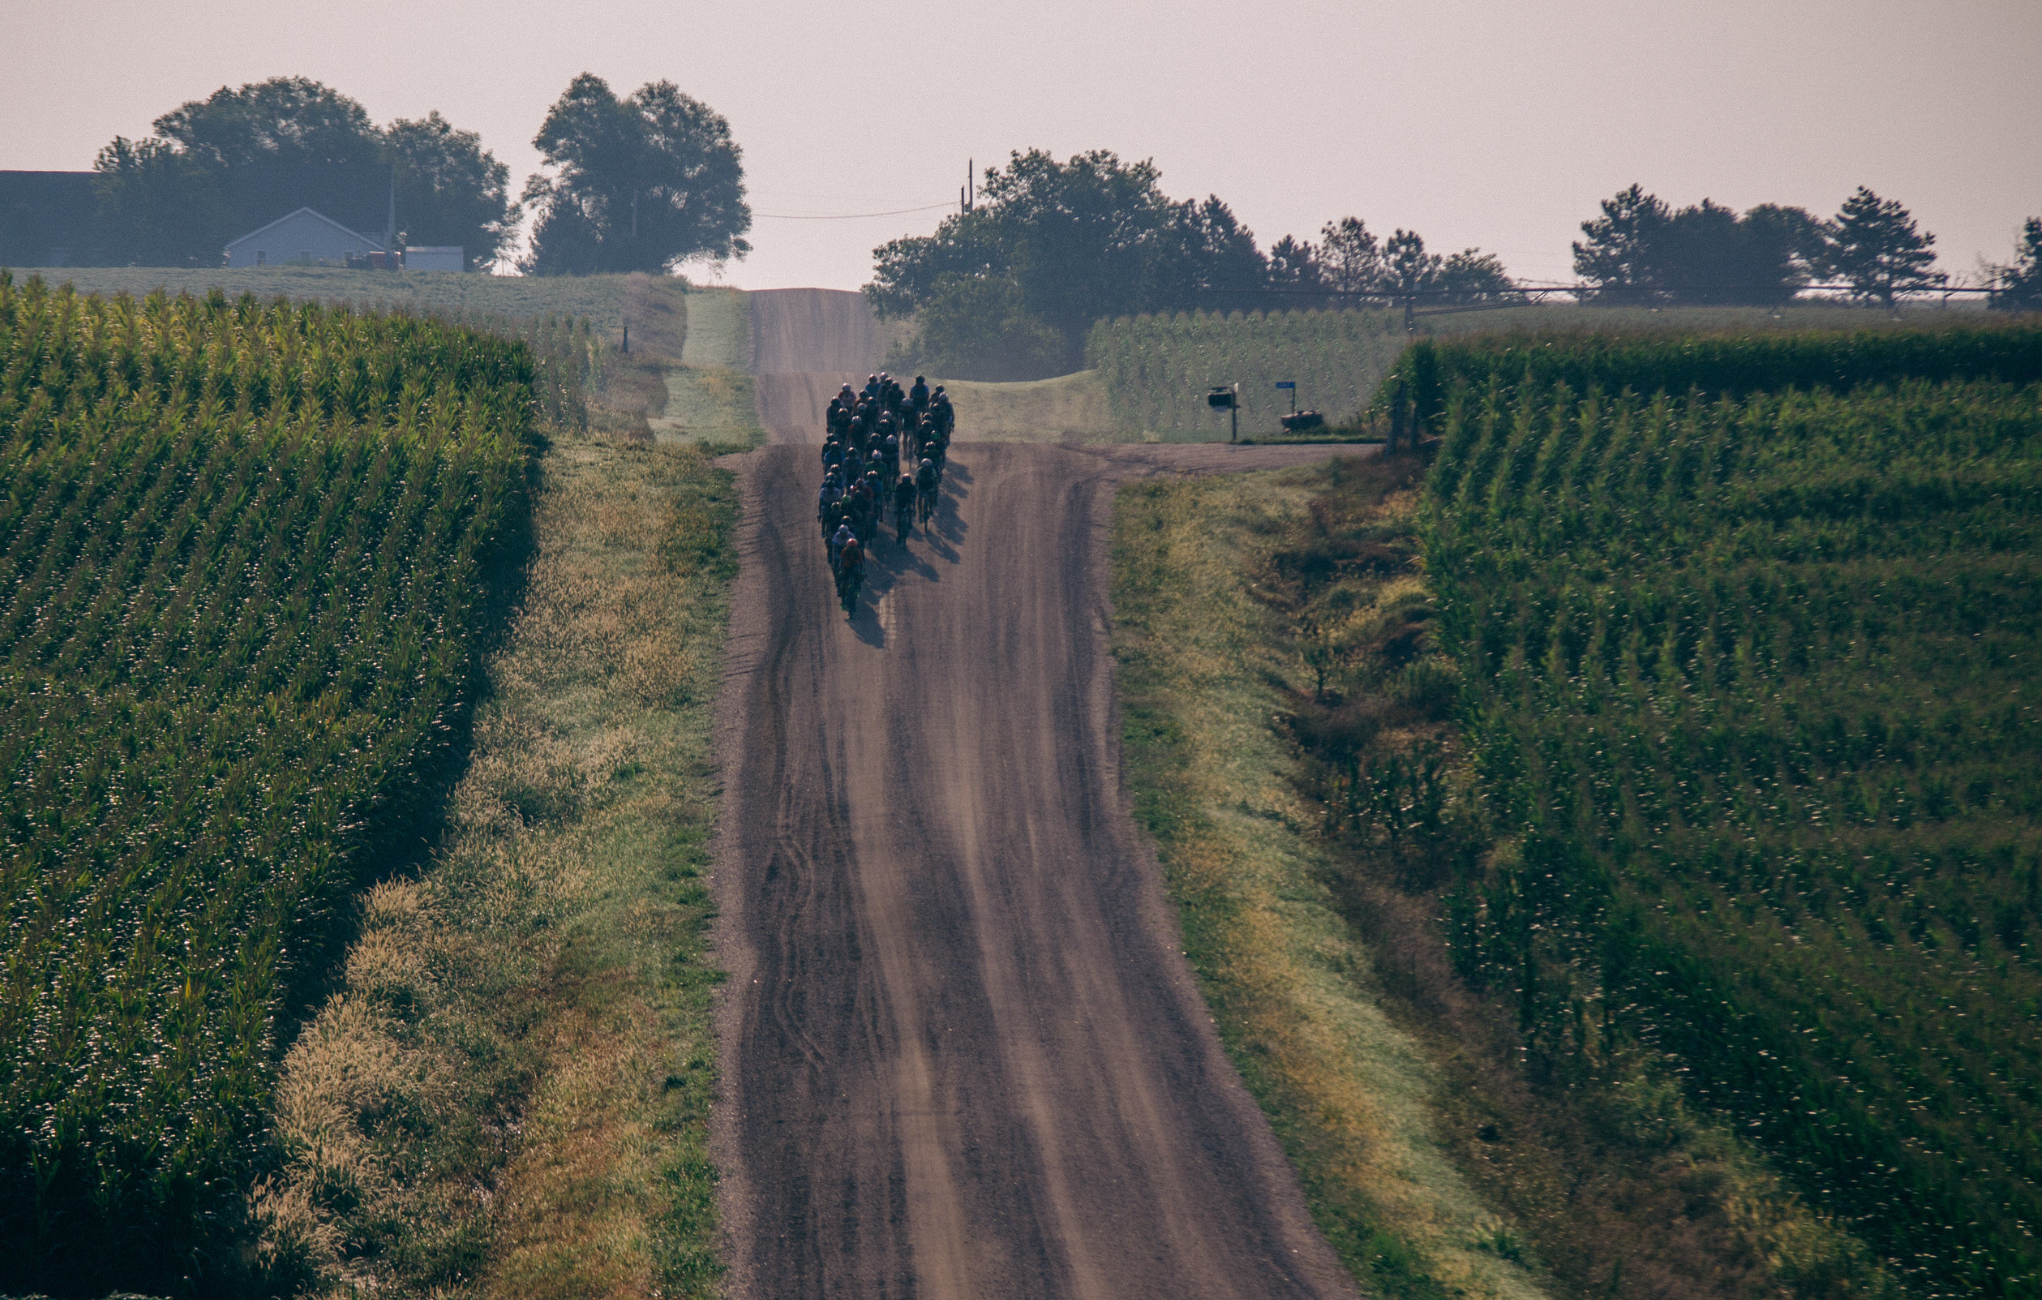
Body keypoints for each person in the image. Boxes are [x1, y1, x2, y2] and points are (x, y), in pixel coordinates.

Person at [893, 472, 916, 542]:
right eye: (905, 482)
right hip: (900, 502)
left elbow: (914, 499)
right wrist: (896, 508)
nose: (906, 483)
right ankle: (899, 535)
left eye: (907, 482)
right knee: (899, 520)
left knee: (909, 507)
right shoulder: (899, 487)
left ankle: (909, 521)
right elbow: (896, 498)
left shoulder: (912, 487)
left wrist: (914, 509)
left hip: (908, 501)